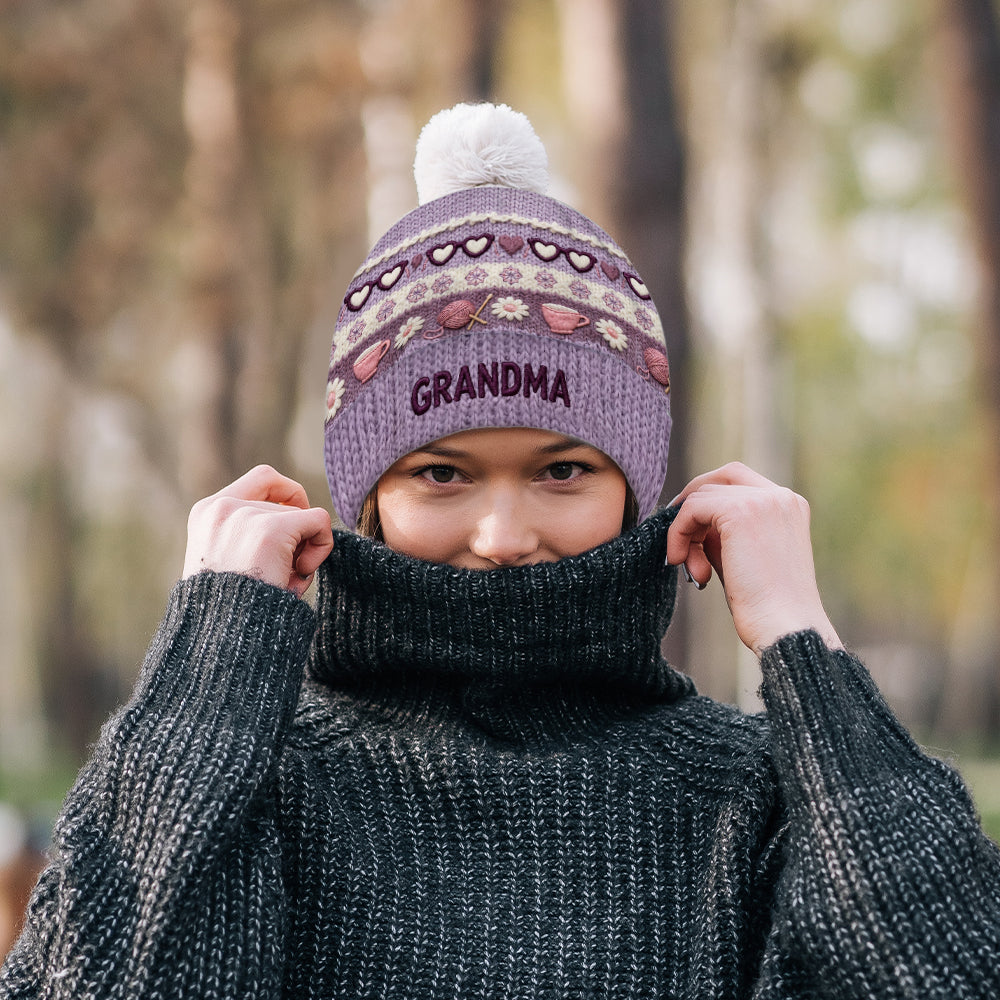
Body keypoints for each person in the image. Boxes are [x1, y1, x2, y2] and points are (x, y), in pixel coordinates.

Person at [2, 102, 998, 1000]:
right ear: (368, 499)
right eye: (441, 473)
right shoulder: (260, 783)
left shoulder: (749, 797)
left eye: (563, 469)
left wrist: (803, 646)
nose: (505, 533)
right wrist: (201, 686)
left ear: (633, 490)